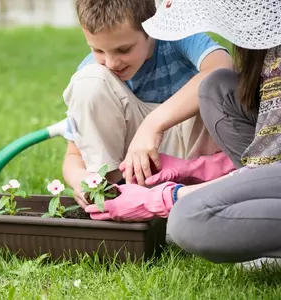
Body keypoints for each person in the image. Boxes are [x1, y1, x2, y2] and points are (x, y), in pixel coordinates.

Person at [86, 0, 281, 264]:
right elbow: (270, 150)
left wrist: (166, 197)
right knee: (217, 88)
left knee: (188, 219)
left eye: (124, 49)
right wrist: (198, 169)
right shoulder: (270, 48)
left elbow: (271, 165)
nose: (111, 62)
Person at [62, 0, 234, 207]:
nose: (111, 63)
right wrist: (80, 178)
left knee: (216, 85)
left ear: (151, 27)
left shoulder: (175, 34)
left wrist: (152, 125)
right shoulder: (95, 73)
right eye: (97, 50)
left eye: (124, 49)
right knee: (88, 82)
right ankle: (111, 194)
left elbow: (223, 67)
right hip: (130, 172)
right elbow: (73, 155)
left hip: (194, 161)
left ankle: (197, 193)